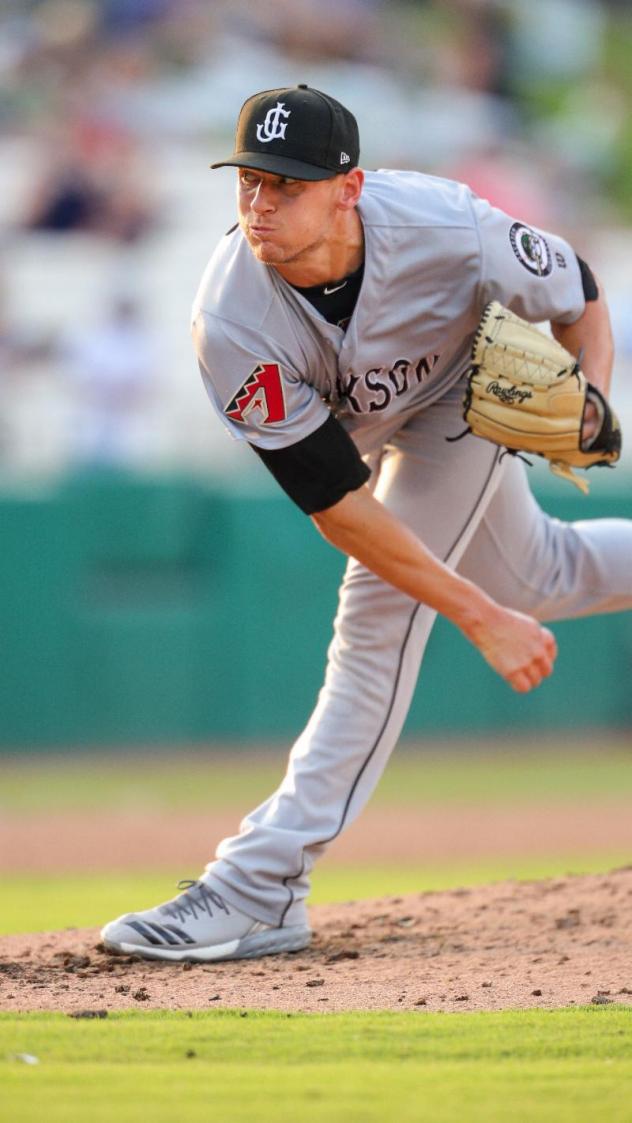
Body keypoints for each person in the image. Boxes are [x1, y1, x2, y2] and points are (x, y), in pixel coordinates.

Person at [102, 85, 632, 962]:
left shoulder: (445, 224)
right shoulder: (232, 320)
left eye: (287, 184)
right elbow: (339, 507)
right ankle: (264, 887)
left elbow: (579, 294)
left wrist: (592, 393)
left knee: (377, 617)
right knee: (540, 576)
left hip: (467, 395)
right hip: (370, 444)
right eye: (250, 182)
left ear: (347, 187)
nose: (261, 203)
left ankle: (259, 886)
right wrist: (480, 612)